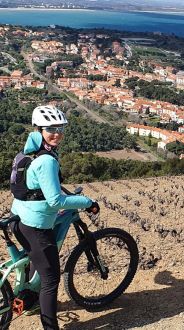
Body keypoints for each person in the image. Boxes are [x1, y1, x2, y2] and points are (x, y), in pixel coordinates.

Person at [10, 105, 99, 330]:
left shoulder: (30, 149)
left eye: (59, 128)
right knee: (51, 280)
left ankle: (29, 301)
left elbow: (41, 187)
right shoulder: (47, 160)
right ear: (39, 129)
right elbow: (56, 202)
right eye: (51, 128)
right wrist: (88, 202)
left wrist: (63, 191)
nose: (56, 133)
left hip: (18, 217)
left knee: (36, 260)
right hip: (35, 226)